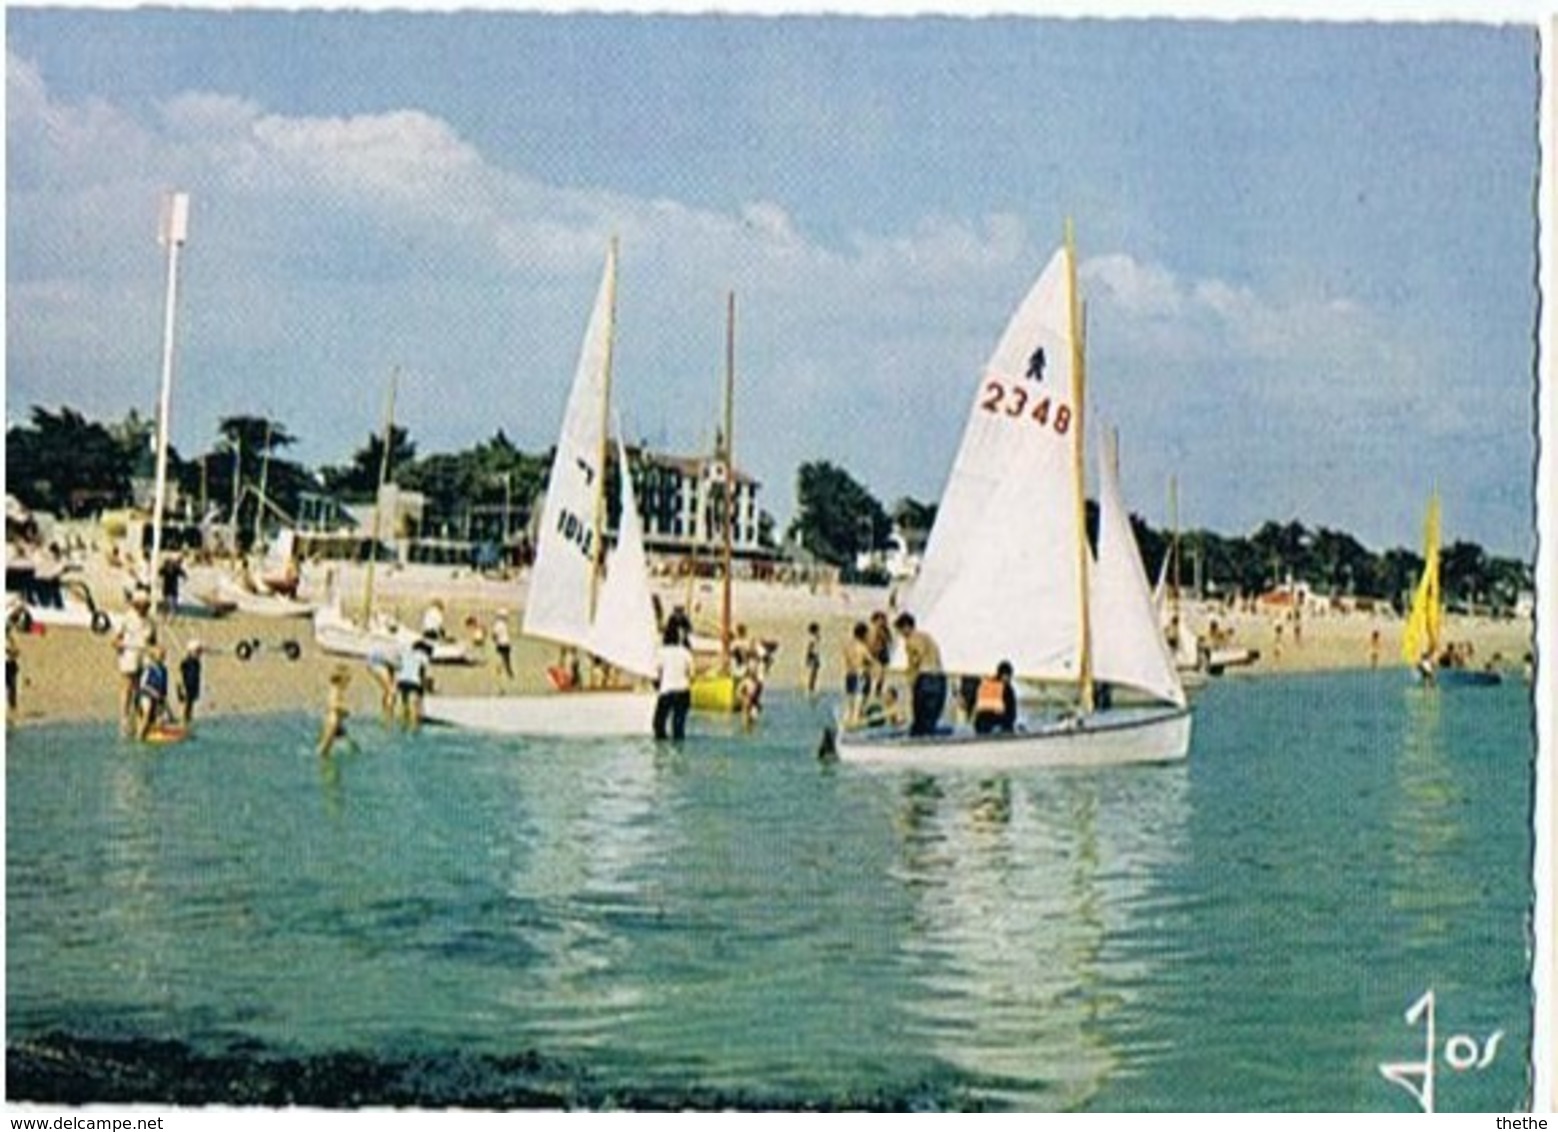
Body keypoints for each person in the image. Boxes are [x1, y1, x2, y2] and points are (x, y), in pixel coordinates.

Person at [895, 611, 946, 737]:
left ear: (906, 627)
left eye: (901, 631)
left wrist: (911, 676)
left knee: (920, 719)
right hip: (940, 678)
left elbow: (916, 657)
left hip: (926, 678)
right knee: (931, 718)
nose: (901, 635)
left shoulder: (911, 640)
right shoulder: (927, 637)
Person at [114, 588, 156, 736]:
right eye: (143, 605)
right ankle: (124, 719)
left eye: (147, 605)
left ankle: (138, 719)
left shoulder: (150, 620)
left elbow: (153, 641)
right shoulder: (127, 618)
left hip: (143, 658)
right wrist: (119, 645)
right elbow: (116, 639)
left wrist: (155, 650)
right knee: (127, 687)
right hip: (129, 656)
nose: (145, 608)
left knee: (140, 688)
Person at [653, 622, 694, 742]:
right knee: (678, 729)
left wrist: (657, 687)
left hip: (667, 691)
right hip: (683, 692)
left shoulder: (661, 652)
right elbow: (691, 675)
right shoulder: (686, 653)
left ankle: (662, 754)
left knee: (658, 725)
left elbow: (656, 674)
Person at [395, 638, 434, 732]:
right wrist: (429, 688)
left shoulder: (405, 654)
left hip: (401, 682)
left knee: (402, 708)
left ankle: (401, 729)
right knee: (413, 711)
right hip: (413, 683)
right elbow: (427, 675)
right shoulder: (423, 657)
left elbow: (398, 667)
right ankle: (413, 732)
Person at [317, 665, 356, 758]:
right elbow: (332, 705)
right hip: (333, 721)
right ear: (340, 679)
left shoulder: (338, 690)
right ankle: (326, 767)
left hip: (337, 721)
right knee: (324, 749)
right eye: (347, 680)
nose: (348, 683)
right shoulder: (334, 690)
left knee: (352, 745)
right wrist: (344, 710)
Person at [842, 622, 876, 726]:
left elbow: (847, 659)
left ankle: (847, 719)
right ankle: (855, 721)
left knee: (850, 700)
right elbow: (871, 661)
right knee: (860, 699)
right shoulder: (862, 647)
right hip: (860, 674)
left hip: (849, 674)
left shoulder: (848, 646)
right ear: (864, 635)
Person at [135, 645, 173, 740]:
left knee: (161, 717)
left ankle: (152, 734)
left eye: (163, 655)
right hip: (145, 695)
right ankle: (139, 736)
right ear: (154, 656)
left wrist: (164, 702)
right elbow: (143, 685)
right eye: (160, 655)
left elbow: (164, 688)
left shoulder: (164, 670)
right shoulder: (149, 669)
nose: (163, 656)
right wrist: (153, 692)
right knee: (146, 714)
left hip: (158, 697)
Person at [972, 661, 1018, 735]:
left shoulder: (985, 684)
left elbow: (975, 704)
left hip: (980, 725)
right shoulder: (1007, 688)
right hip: (998, 727)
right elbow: (1012, 715)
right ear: (1008, 675)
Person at [865, 611, 893, 696]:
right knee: (873, 672)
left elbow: (889, 641)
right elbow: (870, 642)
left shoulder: (884, 630)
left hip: (882, 652)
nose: (881, 622)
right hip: (875, 652)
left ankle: (877, 690)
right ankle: (871, 689)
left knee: (881, 674)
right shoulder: (872, 630)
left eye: (883, 620)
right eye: (879, 620)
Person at [177, 640, 204, 726]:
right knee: (185, 704)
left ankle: (188, 721)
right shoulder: (186, 661)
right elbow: (180, 673)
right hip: (185, 686)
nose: (199, 654)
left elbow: (197, 675)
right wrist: (181, 686)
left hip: (193, 686)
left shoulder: (197, 663)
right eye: (197, 652)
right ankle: (182, 722)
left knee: (190, 704)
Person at [492, 608, 514, 681]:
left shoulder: (498, 624)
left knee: (501, 658)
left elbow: (494, 634)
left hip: (501, 643)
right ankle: (508, 672)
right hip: (505, 643)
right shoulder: (503, 624)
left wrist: (495, 640)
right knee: (506, 658)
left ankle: (500, 671)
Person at [803, 622, 822, 695]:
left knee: (815, 673)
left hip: (815, 655)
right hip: (813, 655)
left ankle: (812, 687)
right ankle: (811, 688)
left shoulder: (815, 638)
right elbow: (809, 648)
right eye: (818, 630)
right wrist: (808, 658)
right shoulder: (812, 639)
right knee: (813, 673)